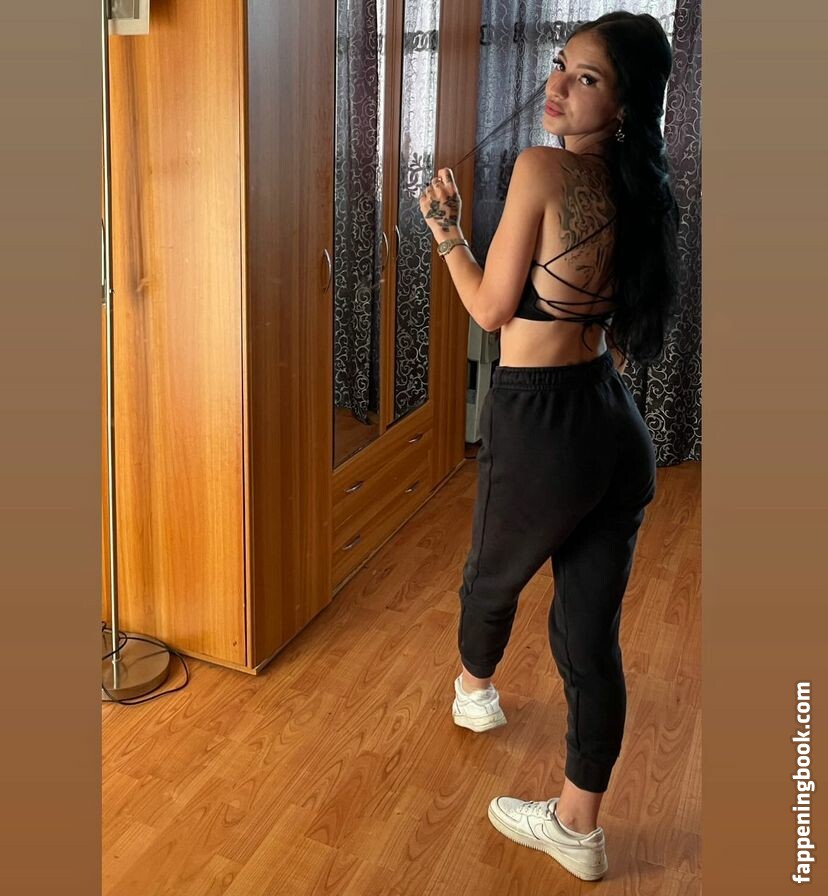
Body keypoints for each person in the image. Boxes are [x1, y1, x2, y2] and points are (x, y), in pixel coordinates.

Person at [418, 11, 680, 882]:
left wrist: (447, 233)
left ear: (625, 104)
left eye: (587, 78)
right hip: (614, 425)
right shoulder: (643, 188)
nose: (557, 85)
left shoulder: (541, 168)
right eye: (561, 64)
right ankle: (578, 826)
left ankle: (475, 693)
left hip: (540, 422)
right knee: (589, 639)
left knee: (490, 576)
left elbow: (492, 310)